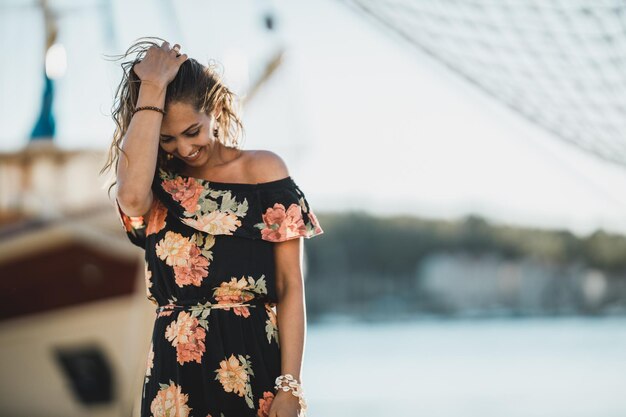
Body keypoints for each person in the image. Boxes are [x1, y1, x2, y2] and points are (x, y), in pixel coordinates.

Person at [100, 38, 324, 417]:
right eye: (166, 138)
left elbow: (289, 287)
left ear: (215, 110)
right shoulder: (155, 185)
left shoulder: (264, 173)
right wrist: (151, 88)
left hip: (253, 365)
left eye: (192, 131)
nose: (184, 149)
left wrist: (291, 386)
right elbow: (131, 197)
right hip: (173, 377)